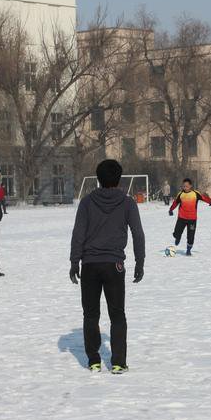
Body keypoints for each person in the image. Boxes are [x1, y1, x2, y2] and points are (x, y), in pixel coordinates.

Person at [69, 159, 145, 374]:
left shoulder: (86, 202)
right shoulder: (128, 202)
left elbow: (78, 234)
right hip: (115, 266)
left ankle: (93, 360)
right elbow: (138, 234)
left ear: (98, 179)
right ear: (119, 179)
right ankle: (119, 362)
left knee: (90, 314)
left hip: (90, 265)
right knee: (117, 315)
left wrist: (75, 262)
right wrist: (140, 261)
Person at [169, 178, 211, 255]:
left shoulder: (195, 193)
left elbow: (204, 198)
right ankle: (178, 237)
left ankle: (188, 250)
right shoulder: (180, 194)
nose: (185, 188)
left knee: (191, 235)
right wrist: (171, 210)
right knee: (177, 232)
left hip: (192, 219)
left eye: (187, 186)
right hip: (181, 217)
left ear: (190, 186)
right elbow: (175, 203)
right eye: (184, 186)